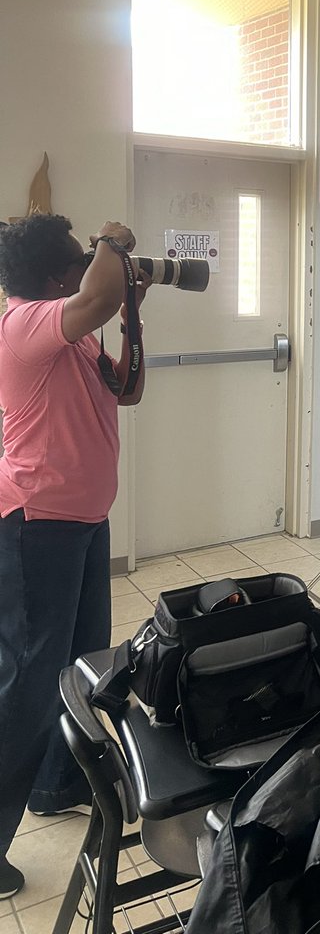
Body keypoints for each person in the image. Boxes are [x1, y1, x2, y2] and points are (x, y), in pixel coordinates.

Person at [0, 215, 150, 899]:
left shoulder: (80, 336)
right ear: (60, 277)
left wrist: (134, 318)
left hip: (84, 523)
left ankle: (56, 783)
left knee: (83, 660)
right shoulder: (26, 323)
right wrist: (113, 244)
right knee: (30, 684)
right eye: (79, 263)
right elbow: (99, 293)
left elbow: (130, 390)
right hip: (38, 526)